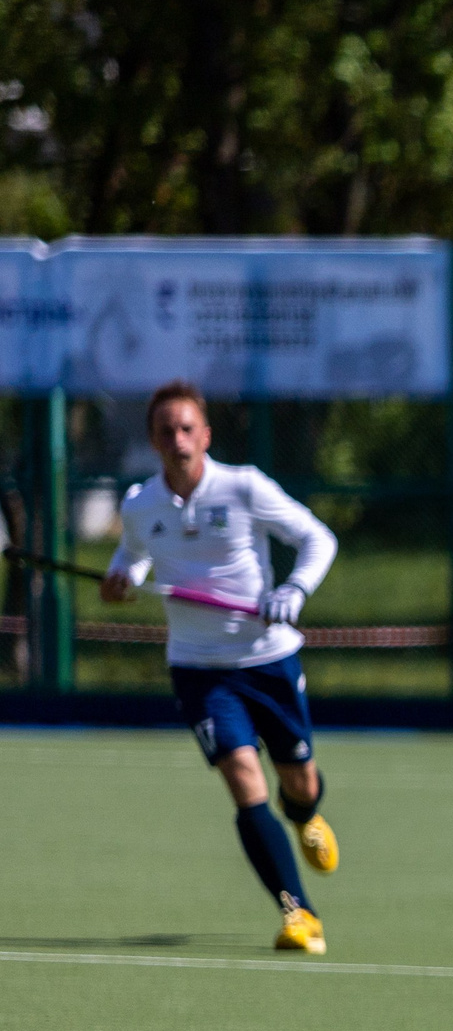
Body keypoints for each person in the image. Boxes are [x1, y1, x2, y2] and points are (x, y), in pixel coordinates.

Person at [103, 381, 341, 953]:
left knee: (298, 781)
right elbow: (131, 558)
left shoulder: (243, 487)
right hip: (200, 669)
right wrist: (123, 580)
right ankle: (298, 913)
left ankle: (305, 813)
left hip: (269, 658)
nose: (179, 440)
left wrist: (294, 590)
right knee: (241, 776)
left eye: (188, 429)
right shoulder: (140, 505)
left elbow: (318, 538)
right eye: (167, 430)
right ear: (153, 439)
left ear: (205, 435)